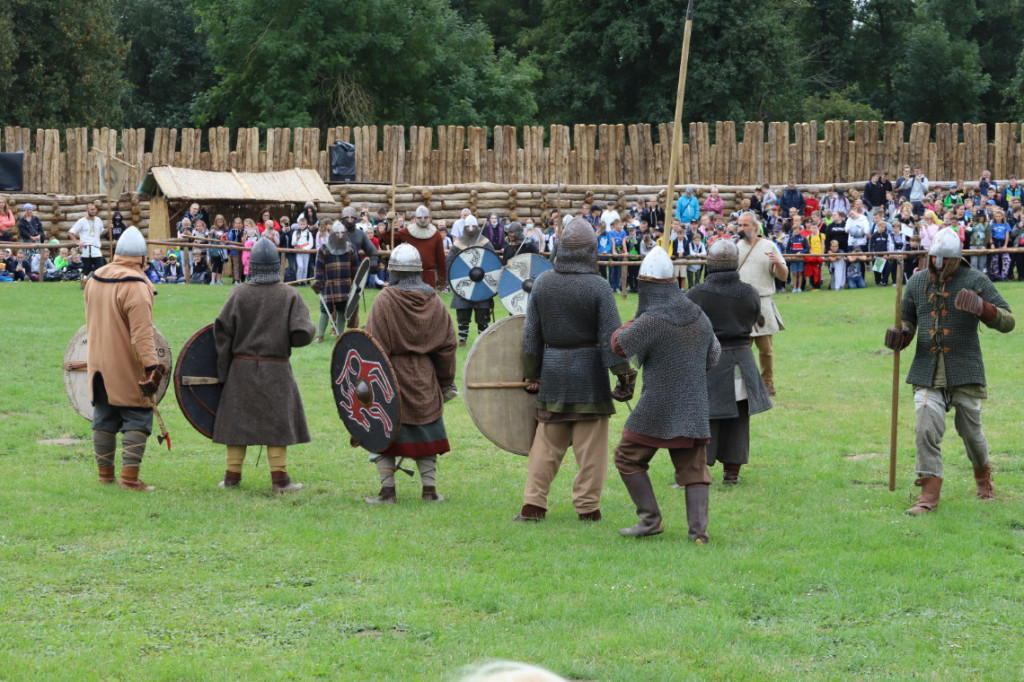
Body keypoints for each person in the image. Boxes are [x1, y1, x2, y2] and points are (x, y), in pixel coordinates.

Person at [883, 227, 1014, 515]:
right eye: (934, 258)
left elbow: (1009, 321)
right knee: (925, 427)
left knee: (971, 433)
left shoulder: (976, 279)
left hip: (965, 369)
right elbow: (908, 322)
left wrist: (984, 308)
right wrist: (901, 336)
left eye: (944, 259)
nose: (938, 264)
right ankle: (928, 496)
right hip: (927, 371)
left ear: (957, 259)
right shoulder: (916, 282)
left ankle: (983, 479)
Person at [514, 218, 636, 523]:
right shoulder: (597, 286)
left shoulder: (543, 282)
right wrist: (624, 374)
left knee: (546, 445)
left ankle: (533, 505)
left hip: (554, 374)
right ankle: (587, 508)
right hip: (589, 375)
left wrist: (533, 372)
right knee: (591, 450)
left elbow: (531, 336)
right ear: (589, 251)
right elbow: (612, 338)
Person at [609, 246, 718, 540]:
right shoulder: (698, 315)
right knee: (694, 470)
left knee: (627, 457)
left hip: (658, 403)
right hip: (692, 403)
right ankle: (698, 535)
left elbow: (619, 345)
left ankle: (650, 520)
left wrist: (635, 319)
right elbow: (713, 356)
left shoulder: (652, 320)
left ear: (646, 286)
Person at [213, 237, 314, 492]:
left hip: (241, 370)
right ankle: (280, 481)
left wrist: (224, 374)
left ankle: (231, 478)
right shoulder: (290, 295)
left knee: (237, 423)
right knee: (276, 424)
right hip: (276, 368)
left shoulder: (238, 293)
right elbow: (303, 333)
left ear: (253, 265)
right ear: (275, 265)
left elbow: (222, 333)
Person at [362, 244, 458, 504]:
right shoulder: (434, 300)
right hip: (424, 378)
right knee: (425, 432)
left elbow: (374, 345)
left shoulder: (385, 299)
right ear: (419, 271)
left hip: (389, 377)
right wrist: (444, 381)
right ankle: (429, 491)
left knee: (384, 432)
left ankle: (387, 492)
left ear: (392, 271)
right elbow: (448, 345)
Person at [82, 226, 166, 491]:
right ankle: (129, 480)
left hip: (97, 363)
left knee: (104, 416)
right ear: (141, 258)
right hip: (127, 365)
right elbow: (142, 336)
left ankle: (105, 476)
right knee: (138, 415)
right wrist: (152, 369)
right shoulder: (136, 286)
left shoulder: (95, 279)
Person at [688, 240, 772, 486]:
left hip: (709, 363)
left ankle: (699, 474)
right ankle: (731, 475)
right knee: (738, 420)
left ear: (710, 263)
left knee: (705, 418)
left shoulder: (697, 294)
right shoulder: (750, 292)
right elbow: (757, 317)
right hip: (742, 362)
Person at [736, 213, 787, 397]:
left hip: (762, 303)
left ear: (755, 227)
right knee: (742, 349)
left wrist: (777, 264)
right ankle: (743, 385)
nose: (741, 228)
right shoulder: (735, 248)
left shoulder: (769, 246)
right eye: (739, 225)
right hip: (741, 304)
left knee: (765, 349)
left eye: (745, 225)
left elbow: (783, 275)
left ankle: (767, 384)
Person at [446, 215, 494, 347]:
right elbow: (450, 262)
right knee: (463, 313)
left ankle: (482, 341)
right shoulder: (458, 245)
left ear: (477, 227)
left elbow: (492, 261)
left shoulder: (485, 243)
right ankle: (462, 340)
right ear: (464, 227)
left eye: (473, 226)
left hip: (481, 283)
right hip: (463, 282)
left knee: (482, 314)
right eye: (468, 226)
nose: (471, 229)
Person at [312, 221, 358, 343]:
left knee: (342, 311)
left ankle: (340, 335)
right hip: (329, 285)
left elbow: (355, 270)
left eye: (342, 233)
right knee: (324, 310)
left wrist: (356, 285)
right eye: (337, 233)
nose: (340, 235)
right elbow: (319, 268)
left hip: (345, 285)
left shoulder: (351, 248)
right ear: (332, 234)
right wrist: (318, 282)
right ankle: (320, 335)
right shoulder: (324, 249)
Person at [338, 206, 380, 326]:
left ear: (356, 219)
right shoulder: (337, 233)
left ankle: (352, 325)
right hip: (338, 270)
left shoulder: (360, 234)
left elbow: (372, 250)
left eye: (352, 218)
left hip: (354, 271)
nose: (350, 220)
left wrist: (373, 262)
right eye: (347, 218)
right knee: (338, 299)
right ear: (343, 219)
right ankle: (335, 326)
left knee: (354, 299)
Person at [393, 205, 447, 288]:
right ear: (416, 218)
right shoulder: (407, 231)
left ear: (429, 218)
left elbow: (441, 258)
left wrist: (442, 278)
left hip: (429, 277)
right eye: (420, 218)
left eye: (425, 218)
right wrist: (389, 224)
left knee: (428, 300)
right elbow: (391, 238)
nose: (422, 220)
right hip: (411, 275)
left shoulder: (436, 234)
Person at [69, 202, 106, 278]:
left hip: (96, 249)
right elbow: (71, 233)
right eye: (91, 209)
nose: (93, 211)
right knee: (87, 269)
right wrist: (77, 242)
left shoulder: (98, 220)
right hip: (86, 249)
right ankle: (84, 283)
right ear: (87, 210)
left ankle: (97, 284)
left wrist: (109, 228)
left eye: (94, 209)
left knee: (100, 268)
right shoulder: (81, 221)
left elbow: (101, 232)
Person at [292, 215, 315, 284]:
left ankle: (303, 281)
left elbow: (311, 243)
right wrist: (297, 239)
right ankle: (298, 281)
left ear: (306, 225)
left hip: (306, 252)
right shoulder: (295, 232)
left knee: (305, 268)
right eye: (301, 224)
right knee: (300, 266)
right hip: (298, 251)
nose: (302, 226)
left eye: (304, 224)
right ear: (298, 224)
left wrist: (305, 249)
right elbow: (293, 243)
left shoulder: (309, 233)